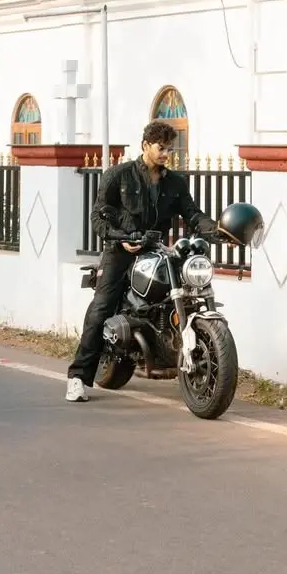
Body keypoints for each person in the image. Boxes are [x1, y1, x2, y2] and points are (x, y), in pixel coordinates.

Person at [65, 120, 217, 402]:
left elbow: (192, 214)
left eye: (170, 149)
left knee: (182, 294)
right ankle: (78, 377)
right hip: (120, 250)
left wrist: (217, 229)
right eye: (161, 148)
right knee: (101, 308)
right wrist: (119, 237)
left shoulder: (175, 182)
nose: (165, 154)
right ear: (146, 145)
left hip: (157, 250)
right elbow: (98, 216)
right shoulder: (119, 175)